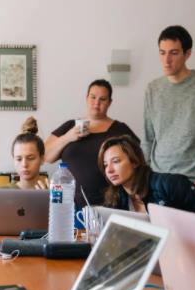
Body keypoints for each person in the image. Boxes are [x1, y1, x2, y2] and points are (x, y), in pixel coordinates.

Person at [99, 135, 195, 259]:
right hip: (152, 262)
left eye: (116, 161)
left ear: (134, 162)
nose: (109, 170)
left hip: (188, 261)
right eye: (105, 164)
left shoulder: (169, 184)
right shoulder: (116, 198)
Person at [142, 25, 195, 189]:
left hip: (194, 181)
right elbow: (147, 139)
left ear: (187, 54)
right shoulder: (153, 88)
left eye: (173, 53)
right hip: (157, 179)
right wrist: (144, 178)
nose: (166, 60)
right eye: (162, 52)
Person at [45, 79, 138, 207]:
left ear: (109, 103)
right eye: (93, 97)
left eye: (102, 99)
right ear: (86, 98)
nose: (96, 103)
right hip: (69, 205)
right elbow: (46, 156)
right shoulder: (70, 126)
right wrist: (67, 137)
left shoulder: (120, 129)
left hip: (111, 203)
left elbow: (137, 162)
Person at [8, 117, 49, 189]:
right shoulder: (3, 193)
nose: (24, 164)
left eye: (30, 158)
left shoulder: (53, 192)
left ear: (42, 159)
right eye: (19, 159)